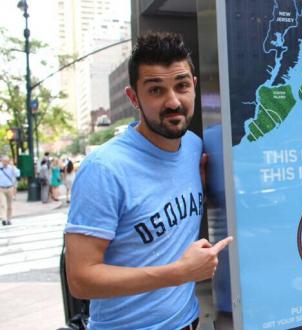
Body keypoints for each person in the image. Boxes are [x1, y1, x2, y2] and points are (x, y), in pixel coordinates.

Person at [64, 32, 233, 330]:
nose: (172, 102)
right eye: (156, 90)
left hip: (189, 321)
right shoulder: (104, 169)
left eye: (181, 86)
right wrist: (179, 273)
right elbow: (80, 279)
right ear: (133, 97)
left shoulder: (194, 147)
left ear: (193, 86)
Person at [0, 155, 19, 226]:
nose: (5, 163)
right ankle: (4, 219)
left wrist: (13, 166)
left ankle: (9, 219)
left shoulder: (11, 168)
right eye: (4, 161)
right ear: (1, 161)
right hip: (1, 188)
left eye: (7, 161)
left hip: (10, 188)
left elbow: (17, 174)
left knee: (9, 205)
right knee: (2, 204)